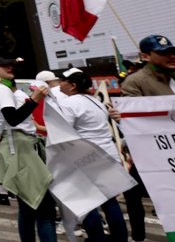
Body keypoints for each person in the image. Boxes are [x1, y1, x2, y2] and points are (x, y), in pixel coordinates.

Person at [0, 54, 56, 242]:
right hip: (19, 147)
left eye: (10, 64)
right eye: (4, 65)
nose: (10, 67)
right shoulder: (0, 89)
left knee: (28, 207)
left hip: (16, 146)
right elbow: (13, 119)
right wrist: (34, 99)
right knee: (44, 209)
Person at [120, 34, 175, 242]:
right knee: (134, 194)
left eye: (172, 52)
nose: (171, 56)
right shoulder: (135, 81)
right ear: (146, 56)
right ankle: (139, 236)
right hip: (155, 154)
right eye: (163, 53)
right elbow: (134, 120)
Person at [55, 70, 128, 242]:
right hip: (107, 154)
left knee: (88, 203)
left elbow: (64, 133)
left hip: (86, 157)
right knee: (110, 202)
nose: (60, 84)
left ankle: (97, 238)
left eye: (63, 81)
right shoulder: (95, 101)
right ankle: (120, 238)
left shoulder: (69, 103)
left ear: (72, 85)